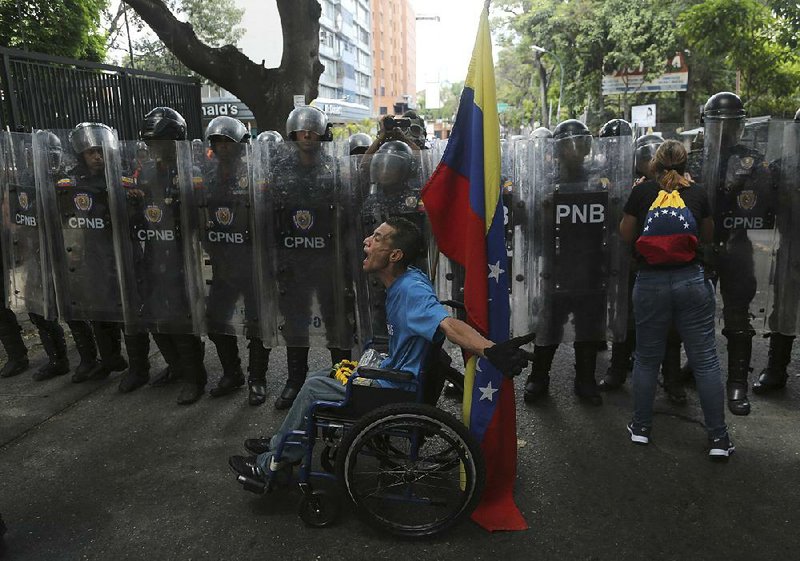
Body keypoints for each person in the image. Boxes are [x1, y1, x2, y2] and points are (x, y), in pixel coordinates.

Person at [229, 217, 532, 481]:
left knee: (311, 388)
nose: (366, 241)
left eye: (376, 238)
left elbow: (449, 326)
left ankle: (273, 463)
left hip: (393, 388)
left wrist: (491, 350)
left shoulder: (411, 291)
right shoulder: (405, 279)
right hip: (391, 374)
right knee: (327, 372)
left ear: (395, 254)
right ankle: (282, 441)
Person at [620, 139, 733, 459]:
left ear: (653, 164)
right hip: (691, 281)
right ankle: (719, 439)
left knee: (645, 358)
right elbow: (707, 236)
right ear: (686, 165)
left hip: (650, 283)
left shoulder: (641, 192)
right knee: (706, 360)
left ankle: (641, 428)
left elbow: (626, 234)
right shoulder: (696, 193)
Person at [120, 107, 207, 403]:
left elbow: (199, 219)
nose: (153, 148)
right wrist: (131, 200)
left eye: (159, 142)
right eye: (150, 142)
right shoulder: (144, 171)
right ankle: (175, 367)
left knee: (181, 318)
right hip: (152, 252)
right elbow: (142, 214)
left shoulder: (190, 173)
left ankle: (195, 377)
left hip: (182, 256)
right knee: (154, 314)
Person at [269, 105, 352, 410]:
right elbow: (272, 221)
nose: (306, 135)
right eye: (301, 131)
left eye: (312, 130)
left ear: (322, 134)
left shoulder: (334, 171)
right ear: (293, 134)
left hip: (328, 260)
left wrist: (344, 264)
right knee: (295, 322)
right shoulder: (279, 173)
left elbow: (345, 221)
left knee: (336, 322)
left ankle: (343, 380)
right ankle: (295, 381)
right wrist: (276, 261)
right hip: (294, 260)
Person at [700, 92, 777, 416]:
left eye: (732, 124)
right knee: (695, 316)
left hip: (736, 245)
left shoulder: (752, 160)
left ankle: (736, 383)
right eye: (719, 124)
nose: (725, 130)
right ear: (707, 125)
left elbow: (765, 202)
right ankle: (694, 368)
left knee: (737, 318)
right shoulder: (693, 158)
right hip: (701, 246)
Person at [199, 116, 269, 406]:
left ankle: (257, 379)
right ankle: (232, 373)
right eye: (218, 142)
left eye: (229, 142)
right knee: (215, 322)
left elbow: (266, 219)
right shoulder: (207, 177)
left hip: (252, 264)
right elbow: (201, 217)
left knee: (257, 325)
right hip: (223, 263)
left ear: (241, 145)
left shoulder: (255, 176)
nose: (223, 147)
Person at [753, 107, 800, 394]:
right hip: (792, 247)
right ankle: (776, 368)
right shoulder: (783, 167)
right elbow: (763, 207)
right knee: (784, 308)